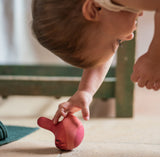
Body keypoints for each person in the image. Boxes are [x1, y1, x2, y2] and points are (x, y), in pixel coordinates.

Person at [32, 0, 160, 124]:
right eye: (118, 42)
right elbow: (102, 50)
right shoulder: (102, 6)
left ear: (93, 10)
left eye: (117, 42)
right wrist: (86, 91)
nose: (129, 37)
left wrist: (154, 58)